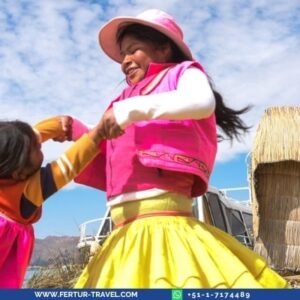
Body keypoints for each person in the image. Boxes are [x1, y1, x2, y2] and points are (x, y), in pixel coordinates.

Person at [71, 9, 288, 288]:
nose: (124, 61)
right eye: (122, 54)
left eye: (133, 50)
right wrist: (74, 129)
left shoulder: (181, 74)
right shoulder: (123, 100)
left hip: (165, 227)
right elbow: (104, 141)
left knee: (176, 290)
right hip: (122, 235)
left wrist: (134, 109)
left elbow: (201, 101)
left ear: (164, 48)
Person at [0, 116, 104, 288]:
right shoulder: (27, 192)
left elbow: (24, 138)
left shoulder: (8, 168)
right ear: (19, 173)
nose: (41, 146)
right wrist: (98, 134)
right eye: (37, 149)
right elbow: (67, 166)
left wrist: (58, 125)